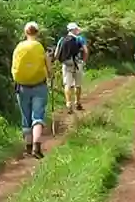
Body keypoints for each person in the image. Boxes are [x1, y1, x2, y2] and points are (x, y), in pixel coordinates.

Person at [12, 21, 51, 158]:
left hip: (22, 86)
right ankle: (36, 146)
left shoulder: (19, 47)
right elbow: (48, 66)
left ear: (25, 32)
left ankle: (28, 147)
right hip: (39, 85)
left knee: (25, 117)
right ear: (37, 33)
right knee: (38, 116)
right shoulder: (39, 47)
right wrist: (50, 76)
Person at [53, 22, 88, 113]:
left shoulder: (62, 39)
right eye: (77, 29)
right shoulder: (80, 39)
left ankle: (68, 103)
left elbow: (56, 54)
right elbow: (86, 51)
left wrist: (59, 61)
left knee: (67, 85)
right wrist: (83, 61)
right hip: (78, 63)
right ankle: (77, 102)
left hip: (66, 64)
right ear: (75, 30)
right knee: (78, 84)